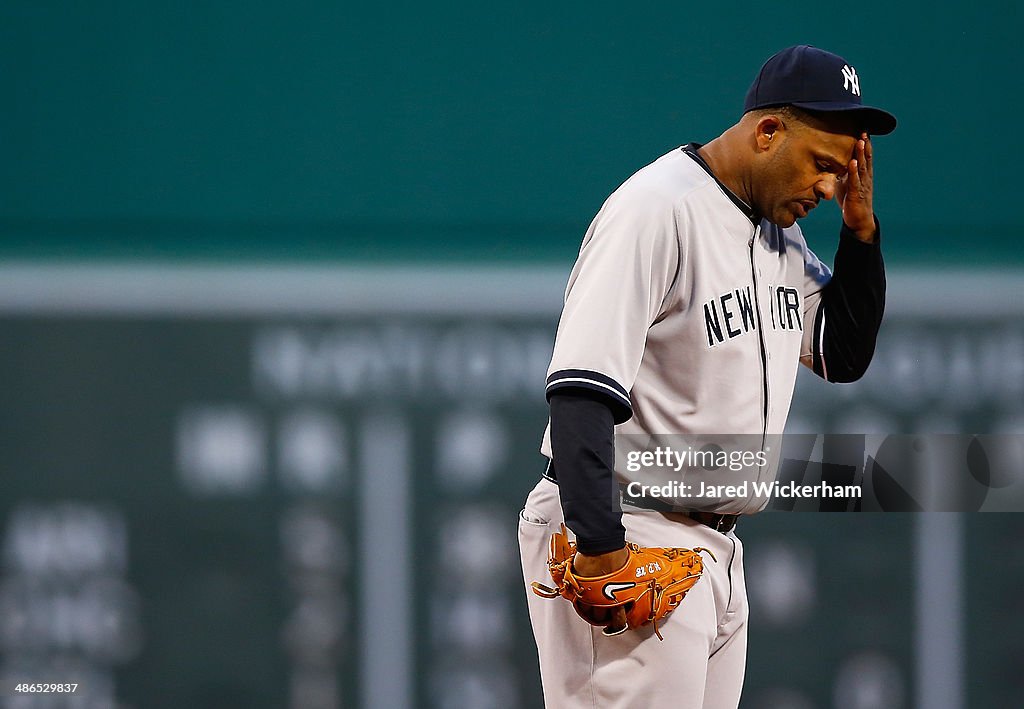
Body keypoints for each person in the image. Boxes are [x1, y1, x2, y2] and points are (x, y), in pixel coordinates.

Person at [518, 45, 896, 708]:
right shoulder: (657, 209)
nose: (830, 188)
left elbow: (842, 351)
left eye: (842, 171)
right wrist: (602, 546)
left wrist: (860, 236)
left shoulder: (779, 235)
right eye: (822, 165)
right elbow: (580, 386)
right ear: (767, 132)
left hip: (715, 547)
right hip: (632, 525)